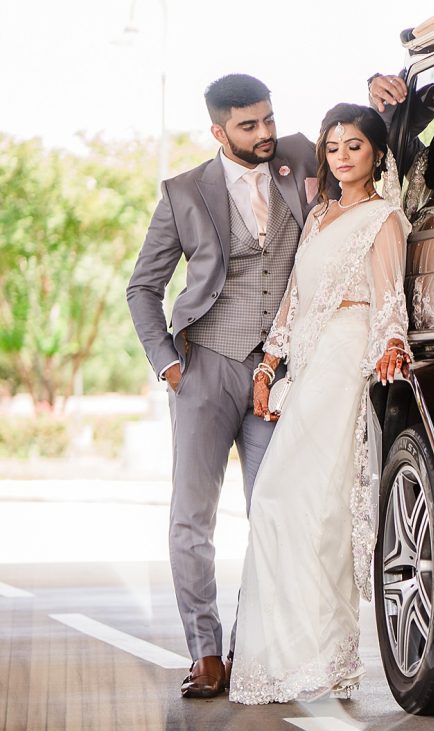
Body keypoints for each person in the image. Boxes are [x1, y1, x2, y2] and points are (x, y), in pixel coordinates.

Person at [126, 74, 319, 699]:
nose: (265, 134)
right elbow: (143, 287)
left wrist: (407, 101)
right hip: (205, 365)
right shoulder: (184, 192)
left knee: (272, 515)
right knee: (192, 519)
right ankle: (205, 653)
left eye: (268, 119)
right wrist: (168, 364)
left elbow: (369, 144)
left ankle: (248, 649)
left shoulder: (302, 157)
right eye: (248, 126)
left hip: (280, 371)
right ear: (219, 131)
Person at [227, 103, 412, 704]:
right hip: (307, 361)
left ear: (376, 153)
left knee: (317, 508)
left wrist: (390, 345)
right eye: (333, 147)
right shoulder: (318, 216)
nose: (341, 156)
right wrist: (268, 364)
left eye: (353, 146)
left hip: (348, 355)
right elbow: (292, 300)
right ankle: (287, 658)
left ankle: (323, 661)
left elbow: (390, 296)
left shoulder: (383, 217)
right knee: (278, 503)